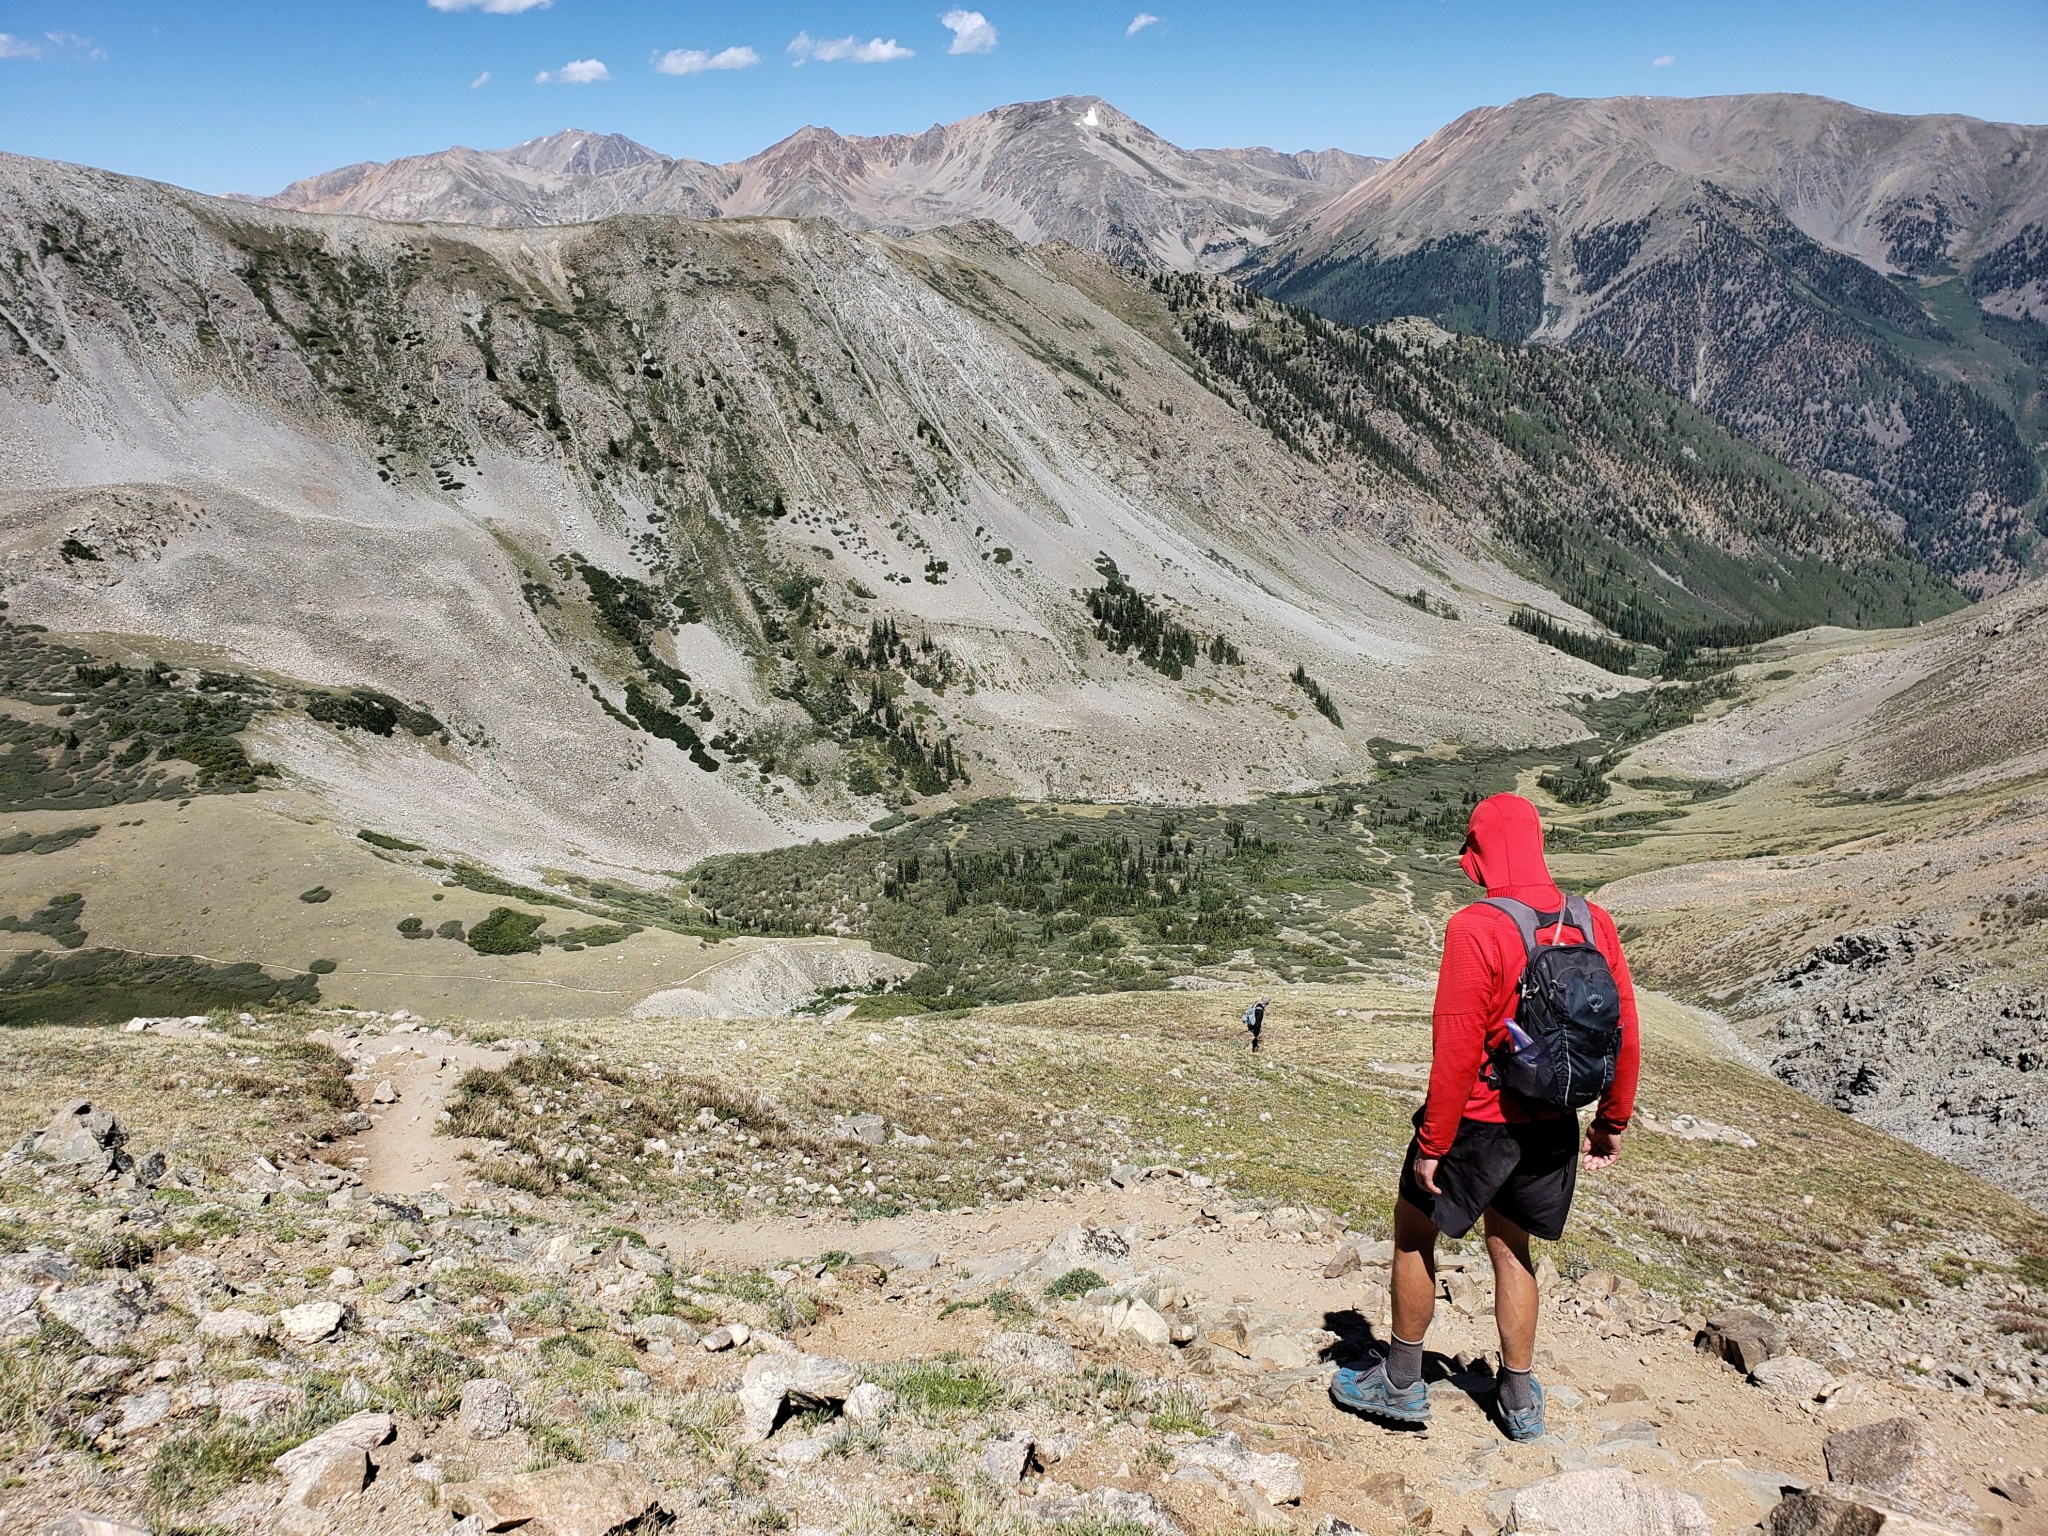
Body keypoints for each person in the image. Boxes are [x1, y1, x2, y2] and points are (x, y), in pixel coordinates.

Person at [1330, 792, 1639, 1442]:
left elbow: (1457, 1048)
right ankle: (1520, 1400)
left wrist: (1433, 1142)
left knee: (1415, 1232)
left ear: (1481, 850)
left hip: (1478, 1122)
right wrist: (1610, 1121)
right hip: (1555, 1122)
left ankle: (1402, 1381)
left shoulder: (1476, 926)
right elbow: (1624, 1036)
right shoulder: (1594, 921)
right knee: (1513, 1250)